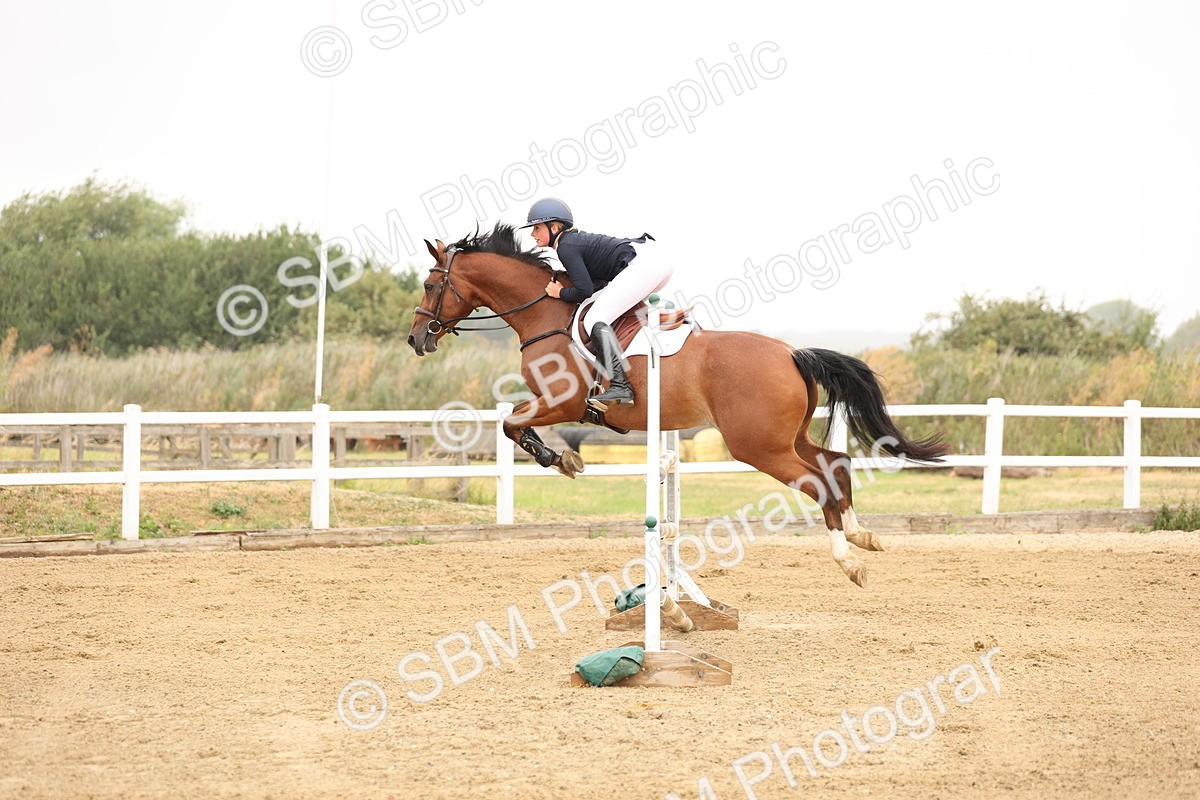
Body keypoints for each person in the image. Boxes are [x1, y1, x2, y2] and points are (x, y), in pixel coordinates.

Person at [519, 197, 672, 409]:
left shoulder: (565, 246)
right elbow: (596, 284)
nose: (532, 234)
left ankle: (620, 385)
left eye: (536, 228)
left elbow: (584, 290)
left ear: (554, 227)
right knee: (606, 309)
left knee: (594, 319)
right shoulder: (571, 242)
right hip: (655, 262)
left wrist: (560, 292)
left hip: (645, 265)